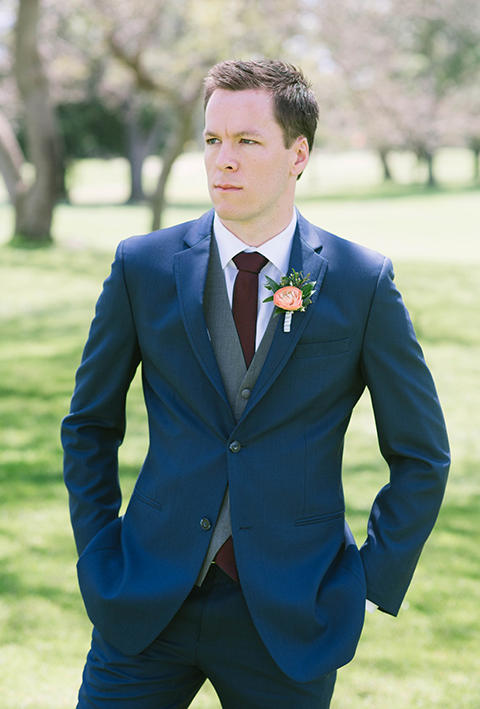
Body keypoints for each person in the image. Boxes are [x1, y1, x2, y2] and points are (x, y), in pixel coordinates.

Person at [61, 59, 450, 709]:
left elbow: (422, 454)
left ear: (298, 154)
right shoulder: (144, 267)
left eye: (247, 142)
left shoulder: (360, 282)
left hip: (290, 613)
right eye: (212, 141)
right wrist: (101, 550)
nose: (223, 162)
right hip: (145, 597)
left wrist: (366, 580)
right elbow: (89, 427)